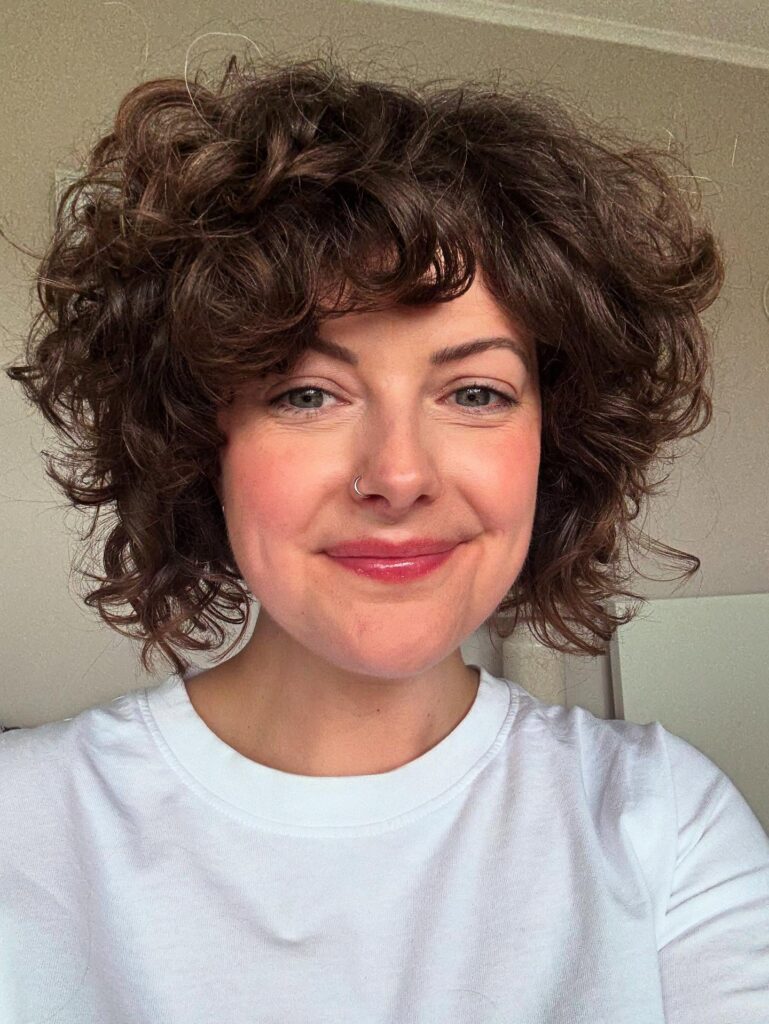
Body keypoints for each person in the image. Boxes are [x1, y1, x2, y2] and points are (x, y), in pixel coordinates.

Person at [1, 49, 767, 1023]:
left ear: (552, 440)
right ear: (203, 440)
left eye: (476, 391)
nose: (397, 475)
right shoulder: (19, 826)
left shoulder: (663, 823)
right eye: (309, 392)